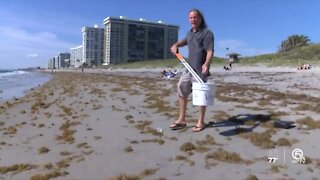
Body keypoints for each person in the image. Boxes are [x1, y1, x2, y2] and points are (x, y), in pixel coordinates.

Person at [169, 9, 214, 132]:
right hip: (188, 68)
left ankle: (201, 122)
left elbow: (210, 51)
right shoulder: (189, 33)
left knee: (201, 95)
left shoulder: (207, 33)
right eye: (191, 18)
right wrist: (176, 45)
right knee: (181, 88)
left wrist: (206, 63)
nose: (193, 20)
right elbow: (184, 42)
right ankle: (182, 119)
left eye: (195, 17)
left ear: (200, 19)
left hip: (200, 70)